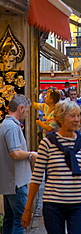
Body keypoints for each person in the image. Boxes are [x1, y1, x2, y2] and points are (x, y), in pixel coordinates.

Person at [22, 99, 81, 234]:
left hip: (79, 202)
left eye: (78, 115)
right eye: (72, 116)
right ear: (60, 118)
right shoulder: (47, 142)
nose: (77, 119)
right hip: (53, 203)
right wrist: (28, 208)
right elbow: (36, 178)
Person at [0, 94, 37, 233]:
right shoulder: (12, 127)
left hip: (10, 181)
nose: (27, 115)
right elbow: (15, 153)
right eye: (27, 111)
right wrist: (31, 155)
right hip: (17, 181)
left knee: (10, 219)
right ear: (21, 109)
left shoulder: (5, 125)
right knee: (21, 220)